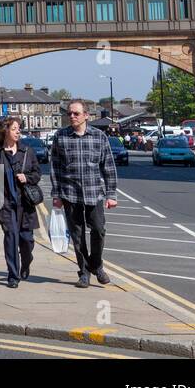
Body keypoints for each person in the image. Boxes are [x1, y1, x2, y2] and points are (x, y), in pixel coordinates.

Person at [50, 99, 119, 288]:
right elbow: (55, 168)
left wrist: (111, 194)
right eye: (69, 113)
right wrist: (56, 194)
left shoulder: (99, 137)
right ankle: (84, 273)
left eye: (76, 113)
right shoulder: (61, 136)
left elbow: (109, 167)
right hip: (70, 193)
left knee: (98, 230)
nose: (71, 116)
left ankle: (96, 265)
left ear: (86, 115)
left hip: (94, 193)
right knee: (77, 235)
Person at [0, 117, 41, 287]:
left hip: (25, 203)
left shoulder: (27, 151)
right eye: (14, 129)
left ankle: (26, 262)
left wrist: (26, 177)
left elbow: (37, 174)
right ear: (5, 131)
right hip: (4, 203)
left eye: (18, 128)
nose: (18, 131)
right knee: (11, 236)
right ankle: (13, 275)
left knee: (26, 240)